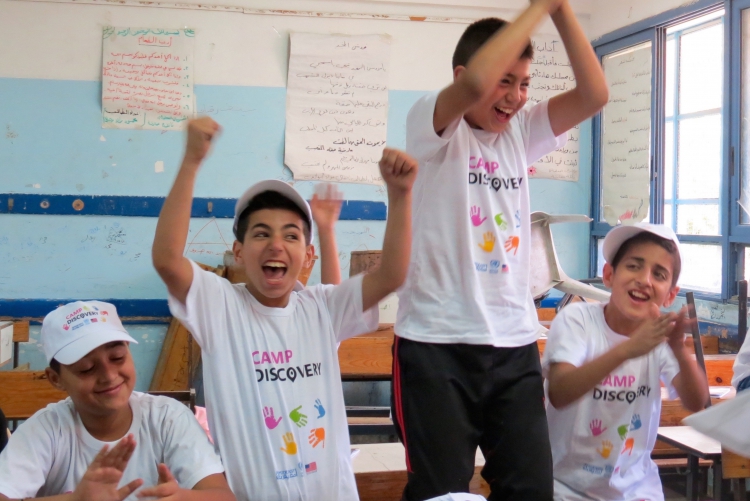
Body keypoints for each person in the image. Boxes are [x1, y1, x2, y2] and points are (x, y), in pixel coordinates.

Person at [392, 0, 609, 499]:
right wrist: (535, 8)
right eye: (504, 80)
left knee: (531, 488)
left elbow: (595, 93)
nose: (514, 96)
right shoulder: (431, 123)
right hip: (436, 345)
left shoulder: (521, 132)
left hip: (513, 345)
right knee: (442, 492)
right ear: (465, 73)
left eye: (524, 83)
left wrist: (559, 12)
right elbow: (471, 88)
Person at [151, 117, 416, 500]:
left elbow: (391, 275)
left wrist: (401, 195)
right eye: (261, 233)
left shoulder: (321, 308)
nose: (276, 245)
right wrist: (192, 160)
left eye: (291, 235)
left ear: (307, 255)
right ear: (239, 252)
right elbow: (166, 259)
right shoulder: (221, 306)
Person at [0, 300, 232, 501]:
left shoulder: (168, 419)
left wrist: (182, 497)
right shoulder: (47, 431)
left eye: (117, 358)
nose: (109, 376)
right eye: (86, 369)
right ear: (56, 379)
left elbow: (222, 495)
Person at [543, 224, 709, 500]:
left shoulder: (660, 338)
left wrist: (679, 349)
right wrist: (629, 349)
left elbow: (696, 402)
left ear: (670, 293)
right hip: (564, 487)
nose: (644, 280)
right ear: (609, 274)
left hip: (637, 489)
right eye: (634, 266)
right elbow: (559, 393)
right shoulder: (578, 321)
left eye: (659, 274)